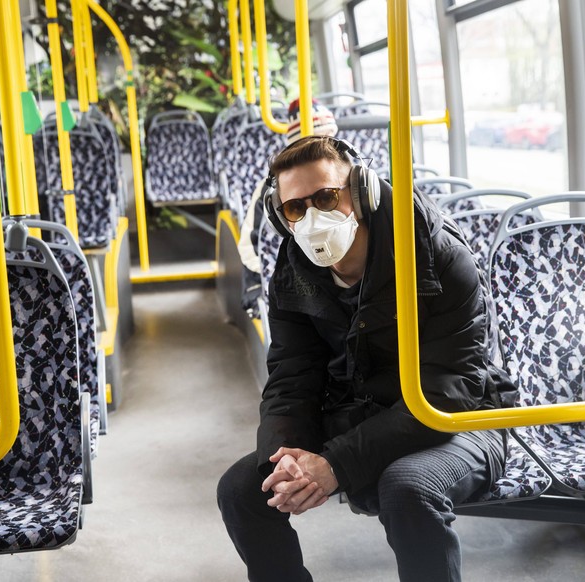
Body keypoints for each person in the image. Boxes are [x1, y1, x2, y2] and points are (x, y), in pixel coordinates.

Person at [217, 135, 515, 582]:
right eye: (296, 208)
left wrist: (336, 463)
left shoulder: (437, 256)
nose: (313, 216)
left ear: (361, 194)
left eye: (326, 197)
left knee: (409, 488)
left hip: (463, 419)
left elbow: (451, 389)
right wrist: (288, 455)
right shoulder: (294, 269)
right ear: (283, 219)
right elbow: (291, 377)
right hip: (361, 413)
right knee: (243, 489)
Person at [237, 99, 338, 313]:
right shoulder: (273, 191)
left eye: (331, 140)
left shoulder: (347, 182)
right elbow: (252, 246)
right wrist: (276, 279)